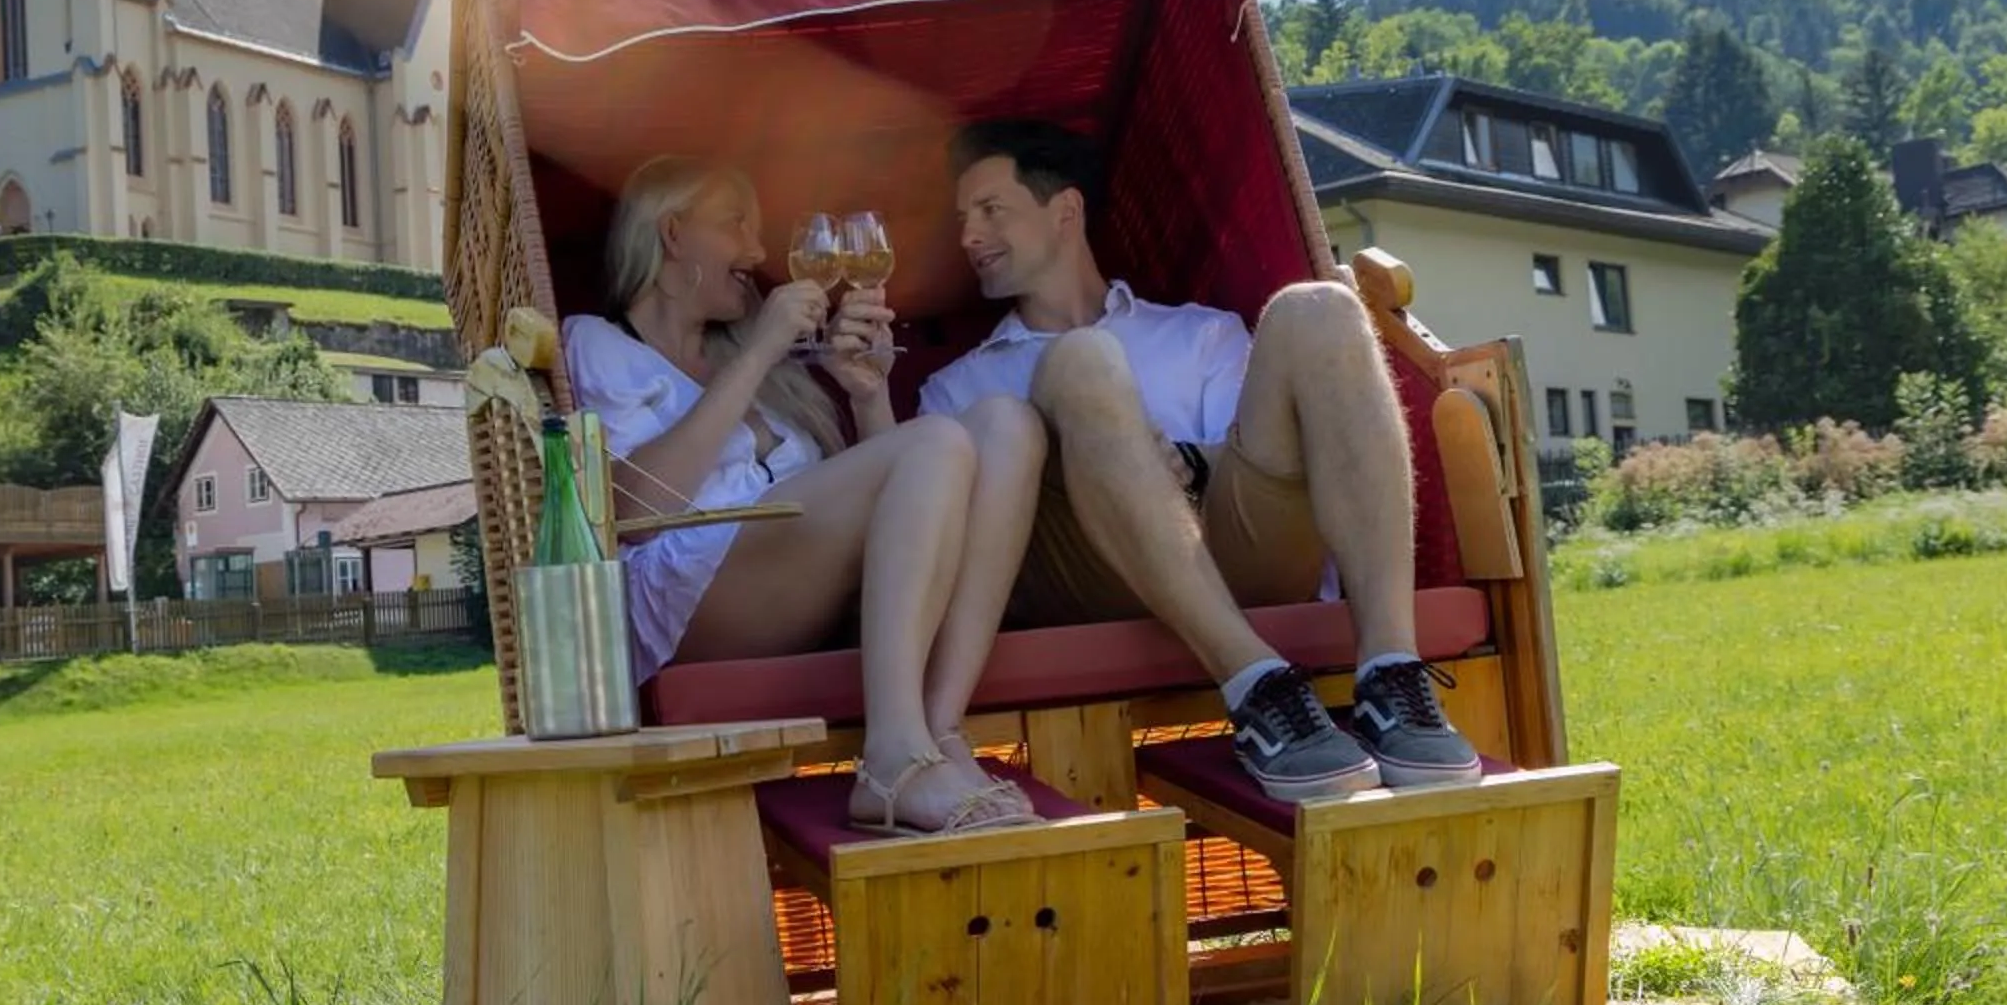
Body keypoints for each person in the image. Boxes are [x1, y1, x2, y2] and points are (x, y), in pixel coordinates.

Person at [918, 119, 1480, 803]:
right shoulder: (956, 388)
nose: (969, 237)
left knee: (1321, 306)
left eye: (990, 210)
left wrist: (1186, 459)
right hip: (1089, 575)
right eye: (962, 220)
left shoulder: (1199, 333)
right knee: (1081, 360)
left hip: (1238, 547)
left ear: (1064, 210)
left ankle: (1391, 672)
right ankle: (1257, 685)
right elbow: (936, 535)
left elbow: (1260, 457)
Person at [563, 157, 1046, 834]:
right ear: (672, 234)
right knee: (937, 439)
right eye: (737, 225)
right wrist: (759, 353)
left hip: (791, 578)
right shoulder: (600, 343)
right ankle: (892, 761)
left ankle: (937, 734)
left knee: (1005, 424)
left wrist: (868, 393)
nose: (757, 253)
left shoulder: (766, 371)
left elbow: (900, 506)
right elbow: (636, 513)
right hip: (686, 599)